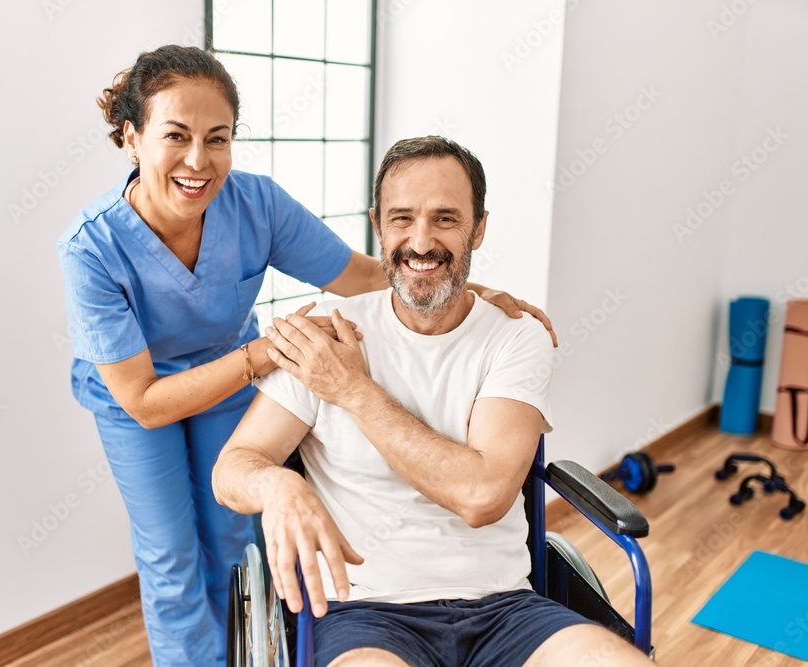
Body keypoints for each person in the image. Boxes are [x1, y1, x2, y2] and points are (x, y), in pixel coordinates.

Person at [57, 45, 554, 666]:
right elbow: (145, 402)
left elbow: (362, 273)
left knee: (231, 541)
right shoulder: (91, 248)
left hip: (231, 378)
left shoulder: (256, 204)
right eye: (176, 136)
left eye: (218, 139)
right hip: (141, 398)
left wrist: (465, 286)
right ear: (132, 138)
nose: (198, 160)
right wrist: (266, 352)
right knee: (170, 557)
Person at [212, 136, 653, 666]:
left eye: (445, 219)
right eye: (402, 219)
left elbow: (482, 496)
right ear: (379, 225)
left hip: (505, 608)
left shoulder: (515, 335)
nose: (420, 241)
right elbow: (233, 469)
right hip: (365, 613)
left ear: (479, 228)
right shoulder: (327, 334)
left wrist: (354, 390)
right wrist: (279, 484)